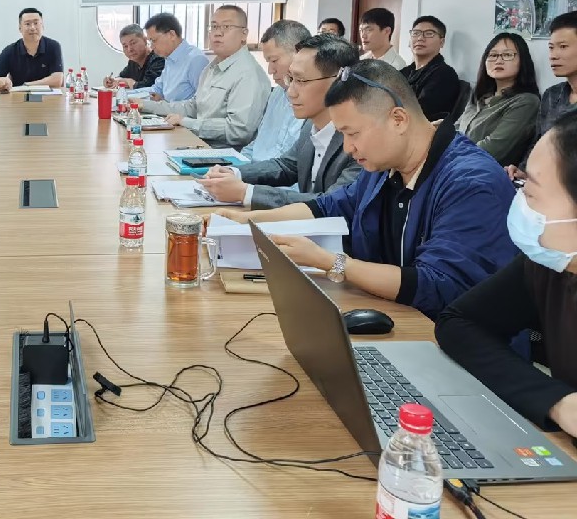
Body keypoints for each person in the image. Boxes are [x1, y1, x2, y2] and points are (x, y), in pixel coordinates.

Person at [218, 60, 517, 320]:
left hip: (453, 339)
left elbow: (434, 284)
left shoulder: (470, 183)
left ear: (398, 120)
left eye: (353, 134)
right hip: (395, 314)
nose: (348, 148)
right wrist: (248, 220)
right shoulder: (386, 165)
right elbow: (330, 205)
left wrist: (330, 262)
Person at [436, 110, 577, 438]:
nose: (520, 202)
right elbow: (459, 323)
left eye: (531, 193)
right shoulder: (551, 262)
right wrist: (556, 401)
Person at [197, 34, 362, 209]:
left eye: (301, 81)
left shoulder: (360, 140)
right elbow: (288, 166)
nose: (290, 92)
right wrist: (233, 173)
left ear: (337, 83)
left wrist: (246, 193)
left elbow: (330, 204)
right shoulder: (311, 124)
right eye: (291, 79)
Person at [139, 5, 269, 148]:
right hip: (199, 143)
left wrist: (186, 122)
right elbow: (193, 107)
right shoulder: (212, 68)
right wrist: (145, 105)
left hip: (221, 153)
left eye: (226, 27)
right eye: (214, 27)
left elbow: (239, 131)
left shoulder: (247, 74)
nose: (218, 33)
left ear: (244, 34)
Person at [507, 12, 577, 181]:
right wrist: (523, 171)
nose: (553, 55)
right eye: (551, 47)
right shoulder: (552, 95)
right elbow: (537, 142)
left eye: (563, 47)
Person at [456, 32, 540, 167]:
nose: (498, 60)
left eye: (507, 55)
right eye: (493, 55)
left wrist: (448, 155)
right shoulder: (479, 95)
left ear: (523, 61)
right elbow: (455, 130)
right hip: (455, 164)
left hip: (480, 171)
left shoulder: (526, 101)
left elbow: (491, 149)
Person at [241, 20, 311, 162]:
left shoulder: (314, 99)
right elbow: (258, 144)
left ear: (299, 53)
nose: (270, 70)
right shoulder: (277, 94)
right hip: (254, 169)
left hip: (275, 174)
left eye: (274, 60)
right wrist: (235, 166)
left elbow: (287, 166)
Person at [130, 13, 209, 102]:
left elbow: (202, 103)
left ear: (172, 35)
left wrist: (165, 103)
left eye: (154, 40)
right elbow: (157, 89)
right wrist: (126, 94)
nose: (151, 46)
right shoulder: (169, 58)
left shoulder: (196, 60)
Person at [400, 16, 460, 121]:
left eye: (429, 34)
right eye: (416, 33)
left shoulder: (444, 74)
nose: (420, 38)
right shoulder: (403, 72)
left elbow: (421, 112)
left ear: (442, 42)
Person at [0, 8, 64, 90]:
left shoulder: (53, 46)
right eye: (27, 24)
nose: (32, 28)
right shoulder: (10, 51)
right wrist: (0, 81)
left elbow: (57, 80)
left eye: (36, 23)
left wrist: (26, 86)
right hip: (18, 97)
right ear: (20, 28)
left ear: (42, 26)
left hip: (49, 96)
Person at [102, 24, 164, 90]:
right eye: (125, 46)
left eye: (133, 43)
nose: (129, 49)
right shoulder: (133, 62)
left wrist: (129, 82)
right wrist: (112, 81)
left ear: (145, 41)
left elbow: (149, 87)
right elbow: (122, 77)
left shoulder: (158, 59)